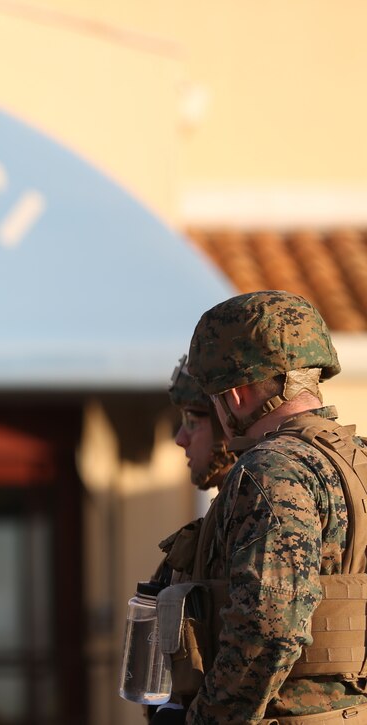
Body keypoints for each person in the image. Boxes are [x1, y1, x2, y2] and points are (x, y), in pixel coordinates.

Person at [181, 290, 367, 724]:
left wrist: (210, 718)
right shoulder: (357, 463)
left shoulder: (269, 471)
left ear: (238, 393)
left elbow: (268, 625)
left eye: (212, 399)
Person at [144, 358, 236, 723]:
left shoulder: (253, 519)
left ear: (226, 428)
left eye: (192, 422)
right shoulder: (218, 523)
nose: (180, 439)